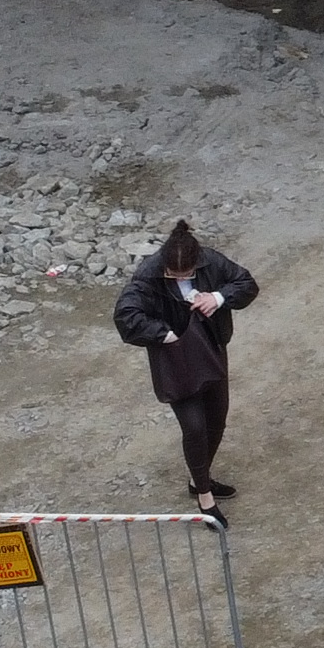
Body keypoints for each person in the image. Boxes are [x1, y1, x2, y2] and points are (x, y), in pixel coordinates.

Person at [114, 221, 257, 523]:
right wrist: (162, 333)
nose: (180, 278)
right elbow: (126, 315)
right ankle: (204, 495)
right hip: (175, 362)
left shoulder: (211, 261)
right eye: (173, 274)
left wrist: (217, 298)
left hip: (210, 351)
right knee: (194, 427)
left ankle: (198, 478)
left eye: (187, 274)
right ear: (164, 265)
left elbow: (246, 284)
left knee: (216, 421)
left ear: (197, 263)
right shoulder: (149, 274)